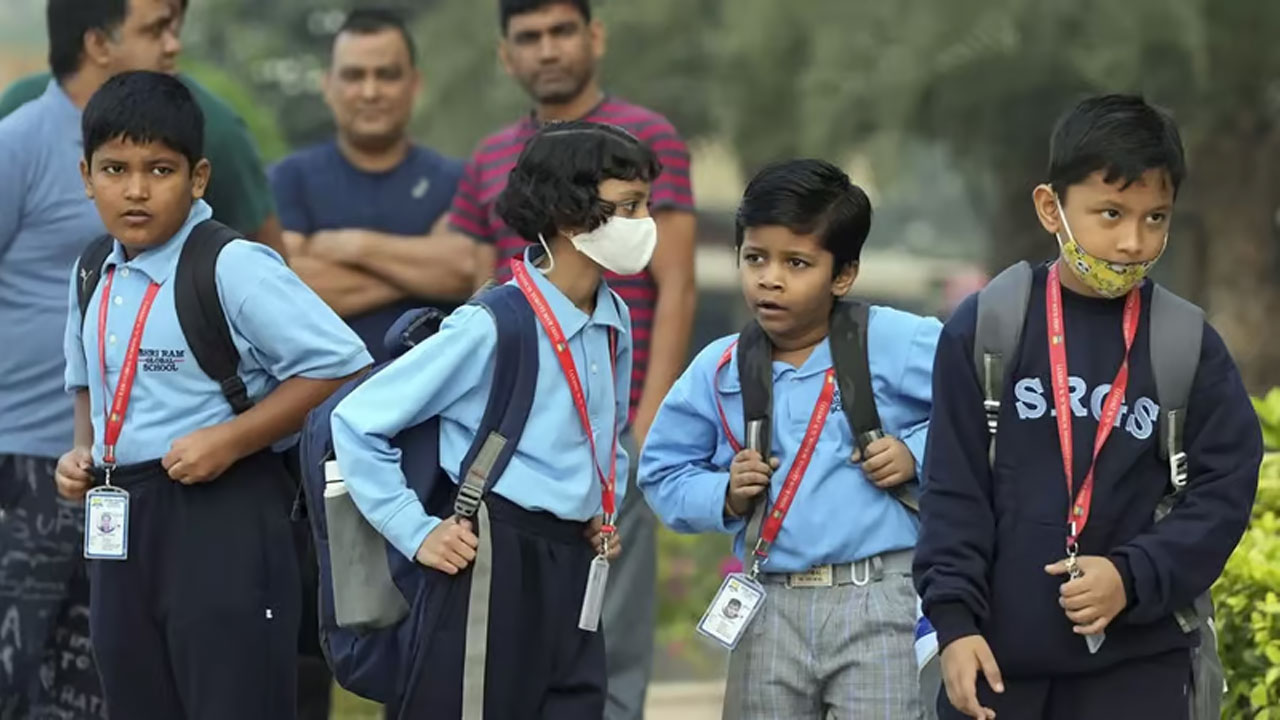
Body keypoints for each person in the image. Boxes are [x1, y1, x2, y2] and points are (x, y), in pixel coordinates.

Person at [913, 95, 1263, 720]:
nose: (1133, 241)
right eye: (1110, 213)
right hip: (997, 667)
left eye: (1156, 218)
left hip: (1139, 671)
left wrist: (1132, 576)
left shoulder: (1186, 343)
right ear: (1052, 208)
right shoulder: (989, 327)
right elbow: (953, 490)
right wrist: (955, 625)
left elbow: (1222, 492)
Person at [54, 70, 370, 720]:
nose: (136, 190)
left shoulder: (229, 264)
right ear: (87, 176)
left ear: (197, 178)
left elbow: (337, 362)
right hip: (121, 523)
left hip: (221, 515)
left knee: (233, 700)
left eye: (159, 170)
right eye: (115, 169)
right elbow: (87, 380)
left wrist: (230, 440)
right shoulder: (92, 269)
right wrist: (81, 452)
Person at [330, 120, 656, 719]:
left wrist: (601, 503)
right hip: (493, 554)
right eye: (627, 207)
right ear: (568, 214)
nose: (644, 226)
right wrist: (415, 528)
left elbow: (605, 431)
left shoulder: (613, 317)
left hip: (574, 559)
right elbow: (356, 421)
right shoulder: (492, 323)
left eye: (646, 205)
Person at [446, 3, 698, 715]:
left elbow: (675, 281)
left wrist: (646, 423)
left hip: (611, 422)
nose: (547, 50)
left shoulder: (645, 138)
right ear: (506, 55)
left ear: (595, 37)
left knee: (611, 628)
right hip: (519, 429)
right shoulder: (494, 154)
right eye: (529, 38)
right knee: (522, 633)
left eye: (562, 32)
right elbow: (475, 269)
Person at [640, 159, 940, 719]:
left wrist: (915, 453)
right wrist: (724, 494)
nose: (769, 278)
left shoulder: (899, 341)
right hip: (767, 600)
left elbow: (983, 416)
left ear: (842, 274)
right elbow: (660, 472)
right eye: (755, 258)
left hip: (878, 598)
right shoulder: (720, 368)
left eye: (796, 263)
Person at [0, 0, 283, 252]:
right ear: (98, 44)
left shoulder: (214, 127)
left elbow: (268, 268)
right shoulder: (15, 134)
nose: (174, 45)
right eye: (155, 31)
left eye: (162, 170)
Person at [272, 8, 470, 361]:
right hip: (319, 407)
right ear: (327, 85)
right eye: (354, 76)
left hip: (437, 402)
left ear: (415, 84)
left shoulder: (459, 181)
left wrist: (351, 245)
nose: (370, 91)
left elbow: (467, 270)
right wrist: (422, 272)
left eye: (387, 75)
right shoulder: (289, 180)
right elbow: (282, 295)